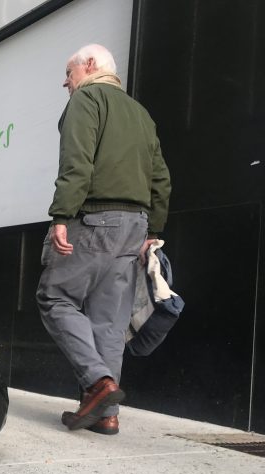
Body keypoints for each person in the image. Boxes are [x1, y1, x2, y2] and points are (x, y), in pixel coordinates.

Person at [36, 44, 171, 435]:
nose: (66, 81)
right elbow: (161, 178)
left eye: (69, 72)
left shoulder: (87, 98)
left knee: (55, 297)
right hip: (135, 226)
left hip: (94, 219)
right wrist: (153, 231)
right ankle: (105, 414)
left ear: (90, 65)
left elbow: (77, 161)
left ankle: (100, 384)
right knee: (109, 321)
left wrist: (62, 215)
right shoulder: (141, 114)